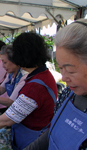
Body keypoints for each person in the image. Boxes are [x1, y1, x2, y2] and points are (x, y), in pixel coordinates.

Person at [0, 32, 57, 150]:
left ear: (24, 56)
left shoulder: (35, 86)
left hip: (31, 139)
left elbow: (7, 119)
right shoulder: (42, 74)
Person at [23, 19, 87, 150]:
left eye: (70, 70)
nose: (64, 77)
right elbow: (51, 134)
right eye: (61, 68)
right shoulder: (69, 93)